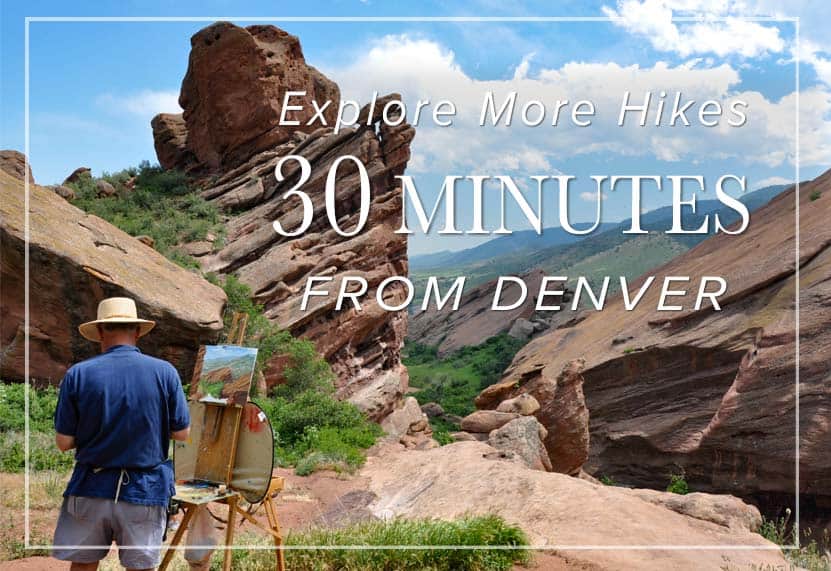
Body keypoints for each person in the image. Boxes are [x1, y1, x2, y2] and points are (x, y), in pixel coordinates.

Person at [52, 297, 191, 571]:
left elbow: (63, 442)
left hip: (91, 488)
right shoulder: (165, 373)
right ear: (137, 331)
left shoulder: (78, 374)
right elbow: (183, 433)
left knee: (82, 565)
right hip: (143, 491)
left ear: (101, 331)